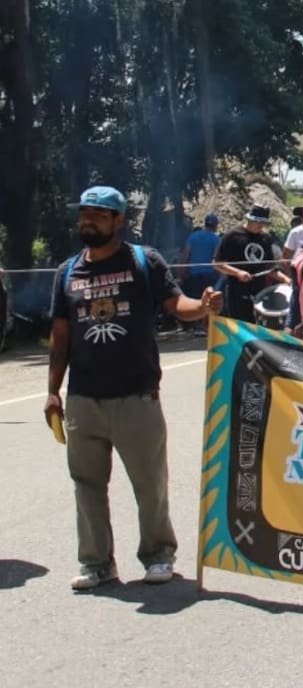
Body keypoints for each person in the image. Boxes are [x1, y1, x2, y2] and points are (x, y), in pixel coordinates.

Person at [45, 185, 223, 590]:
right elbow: (60, 335)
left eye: (99, 214)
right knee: (86, 485)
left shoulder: (145, 262)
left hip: (137, 397)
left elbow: (179, 305)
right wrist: (53, 391)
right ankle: (96, 563)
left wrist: (204, 307)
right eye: (84, 213)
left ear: (119, 220)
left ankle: (158, 555)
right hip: (83, 400)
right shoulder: (67, 272)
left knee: (149, 483)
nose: (87, 220)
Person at [214, 204, 290, 324]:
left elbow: (269, 267)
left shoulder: (266, 238)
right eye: (257, 221)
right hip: (237, 293)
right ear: (249, 219)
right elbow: (217, 263)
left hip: (260, 293)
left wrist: (285, 279)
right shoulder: (232, 236)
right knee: (240, 327)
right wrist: (237, 273)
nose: (261, 225)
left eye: (263, 222)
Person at [177, 213, 222, 336]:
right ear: (216, 225)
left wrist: (181, 273)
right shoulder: (216, 239)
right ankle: (204, 326)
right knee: (208, 301)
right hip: (209, 274)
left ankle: (196, 326)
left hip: (193, 275)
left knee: (195, 300)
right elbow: (217, 258)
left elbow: (185, 255)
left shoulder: (193, 237)